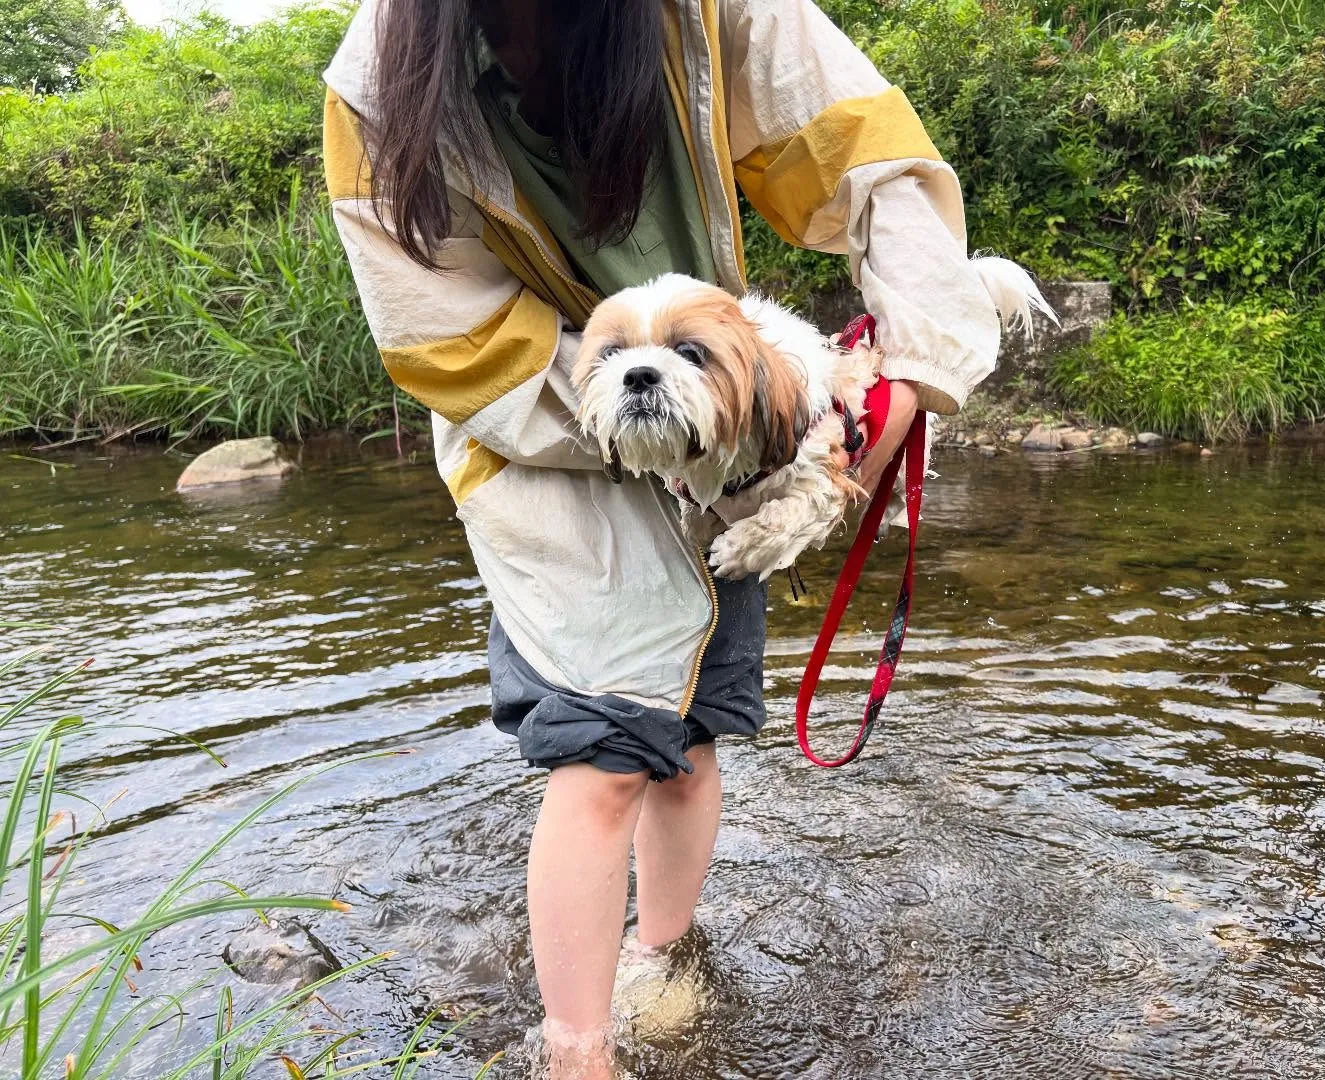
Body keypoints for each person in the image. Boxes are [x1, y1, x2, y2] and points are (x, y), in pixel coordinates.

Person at [322, 1, 1005, 1075]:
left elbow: (873, 161)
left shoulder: (719, 11)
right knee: (603, 750)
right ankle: (575, 1050)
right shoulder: (376, 93)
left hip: (733, 425)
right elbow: (446, 343)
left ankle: (664, 956)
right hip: (539, 433)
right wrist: (643, 407)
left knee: (689, 747)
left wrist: (909, 374)